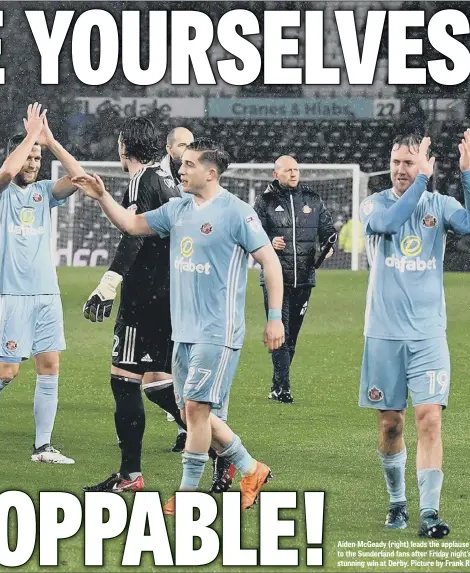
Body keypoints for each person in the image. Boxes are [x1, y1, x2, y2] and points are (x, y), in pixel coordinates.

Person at [72, 138, 286, 513]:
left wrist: (273, 319)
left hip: (218, 331)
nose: (181, 170)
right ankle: (251, 468)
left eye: (188, 165)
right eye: (182, 163)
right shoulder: (178, 209)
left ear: (210, 172)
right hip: (182, 331)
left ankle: (187, 495)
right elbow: (131, 225)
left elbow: (270, 262)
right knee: (191, 412)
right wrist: (104, 197)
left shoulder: (237, 212)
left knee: (198, 411)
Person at [358, 131, 470, 537]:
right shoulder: (373, 203)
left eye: (409, 163)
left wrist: (467, 174)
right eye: (396, 162)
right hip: (383, 334)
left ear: (425, 164)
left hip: (428, 335)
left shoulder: (439, 205)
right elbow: (391, 224)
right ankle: (398, 504)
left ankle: (430, 512)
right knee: (390, 425)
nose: (400, 169)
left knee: (429, 419)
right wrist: (421, 182)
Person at [0, 103, 84, 464]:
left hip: (47, 294)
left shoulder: (44, 191)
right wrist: (30, 136)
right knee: (6, 372)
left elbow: (80, 179)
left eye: (37, 159)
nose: (32, 164)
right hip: (12, 294)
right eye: (28, 158)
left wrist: (51, 142)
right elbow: (8, 170)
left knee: (50, 367)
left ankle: (42, 447)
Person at [81, 118, 185, 493]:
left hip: (145, 299)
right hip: (170, 295)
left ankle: (130, 476)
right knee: (157, 383)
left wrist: (108, 283)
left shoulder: (143, 179)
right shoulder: (169, 179)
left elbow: (134, 233)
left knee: (123, 380)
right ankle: (222, 448)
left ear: (126, 147)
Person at [253, 155, 337, 403]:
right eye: (288, 170)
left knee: (292, 336)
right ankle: (283, 388)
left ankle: (278, 384)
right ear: (275, 174)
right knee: (280, 332)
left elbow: (328, 231)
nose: (293, 173)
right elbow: (252, 233)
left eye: (296, 169)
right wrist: (269, 242)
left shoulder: (312, 199)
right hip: (276, 277)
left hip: (305, 278)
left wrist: (328, 246)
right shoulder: (264, 201)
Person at [159, 126, 193, 451]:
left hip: (189, 282)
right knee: (168, 357)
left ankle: (188, 430)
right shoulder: (157, 179)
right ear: (170, 148)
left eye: (190, 145)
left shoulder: (196, 185)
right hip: (161, 281)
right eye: (181, 144)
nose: (186, 150)